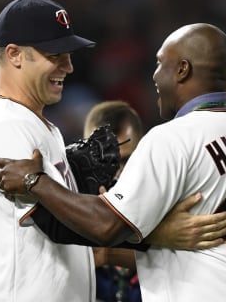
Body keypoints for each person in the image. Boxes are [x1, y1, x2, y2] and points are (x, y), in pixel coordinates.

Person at [0, 23, 226, 301]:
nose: (156, 75)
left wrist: (35, 181)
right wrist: (159, 235)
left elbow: (106, 225)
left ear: (183, 70)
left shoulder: (174, 137)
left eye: (161, 63)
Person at [0, 0, 226, 301]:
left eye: (69, 54)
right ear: (14, 55)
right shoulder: (4, 126)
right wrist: (158, 232)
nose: (69, 66)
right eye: (55, 55)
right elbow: (57, 226)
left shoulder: (37, 127)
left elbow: (72, 244)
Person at [83, 101, 144, 302]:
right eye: (104, 161)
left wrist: (108, 255)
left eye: (125, 160)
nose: (116, 174)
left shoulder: (166, 208)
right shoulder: (68, 211)